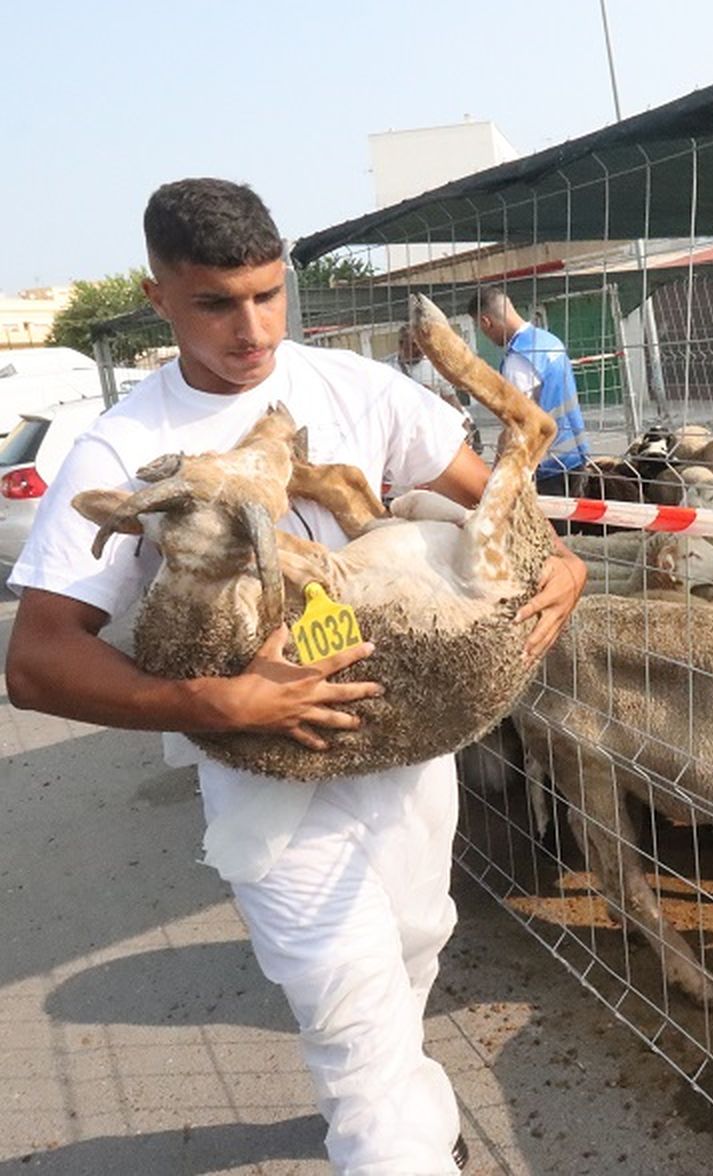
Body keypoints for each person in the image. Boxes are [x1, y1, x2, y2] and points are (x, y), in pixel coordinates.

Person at [4, 178, 587, 1174]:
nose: (251, 327)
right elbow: (37, 659)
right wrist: (208, 702)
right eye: (215, 303)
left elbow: (492, 497)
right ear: (160, 299)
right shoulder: (129, 445)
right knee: (341, 991)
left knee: (412, 941)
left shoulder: (356, 391)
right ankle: (388, 1140)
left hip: (407, 734)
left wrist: (559, 558)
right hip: (268, 774)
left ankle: (400, 1107)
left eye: (268, 295)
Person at [466, 287, 590, 498]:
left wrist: (495, 480)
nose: (486, 336)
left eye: (482, 329)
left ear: (487, 322)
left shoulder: (518, 359)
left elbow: (516, 424)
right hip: (575, 453)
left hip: (546, 464)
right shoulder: (549, 341)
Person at [387, 324, 483, 456]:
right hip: (406, 433)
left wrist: (463, 421)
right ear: (401, 344)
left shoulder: (433, 365)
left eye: (423, 344)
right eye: (415, 345)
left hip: (435, 427)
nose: (420, 349)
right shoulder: (387, 369)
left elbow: (449, 396)